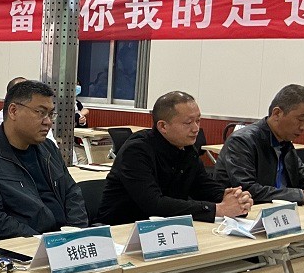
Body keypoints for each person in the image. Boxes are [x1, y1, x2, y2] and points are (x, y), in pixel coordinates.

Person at [98, 91, 253, 224]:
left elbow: (203, 187)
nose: (196, 129)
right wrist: (218, 209)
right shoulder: (136, 150)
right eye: (188, 123)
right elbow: (154, 204)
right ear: (163, 126)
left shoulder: (187, 149)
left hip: (168, 227)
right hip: (122, 228)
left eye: (198, 121)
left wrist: (234, 199)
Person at [0, 80, 87, 240]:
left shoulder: (48, 148)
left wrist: (76, 232)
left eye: (50, 114)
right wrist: (44, 242)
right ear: (13, 111)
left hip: (63, 241)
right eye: (40, 112)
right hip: (22, 246)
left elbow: (72, 193)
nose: (48, 122)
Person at [215, 84, 304, 204]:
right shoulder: (242, 141)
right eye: (301, 119)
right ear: (277, 113)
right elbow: (248, 190)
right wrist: (303, 195)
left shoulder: (285, 143)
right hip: (243, 213)